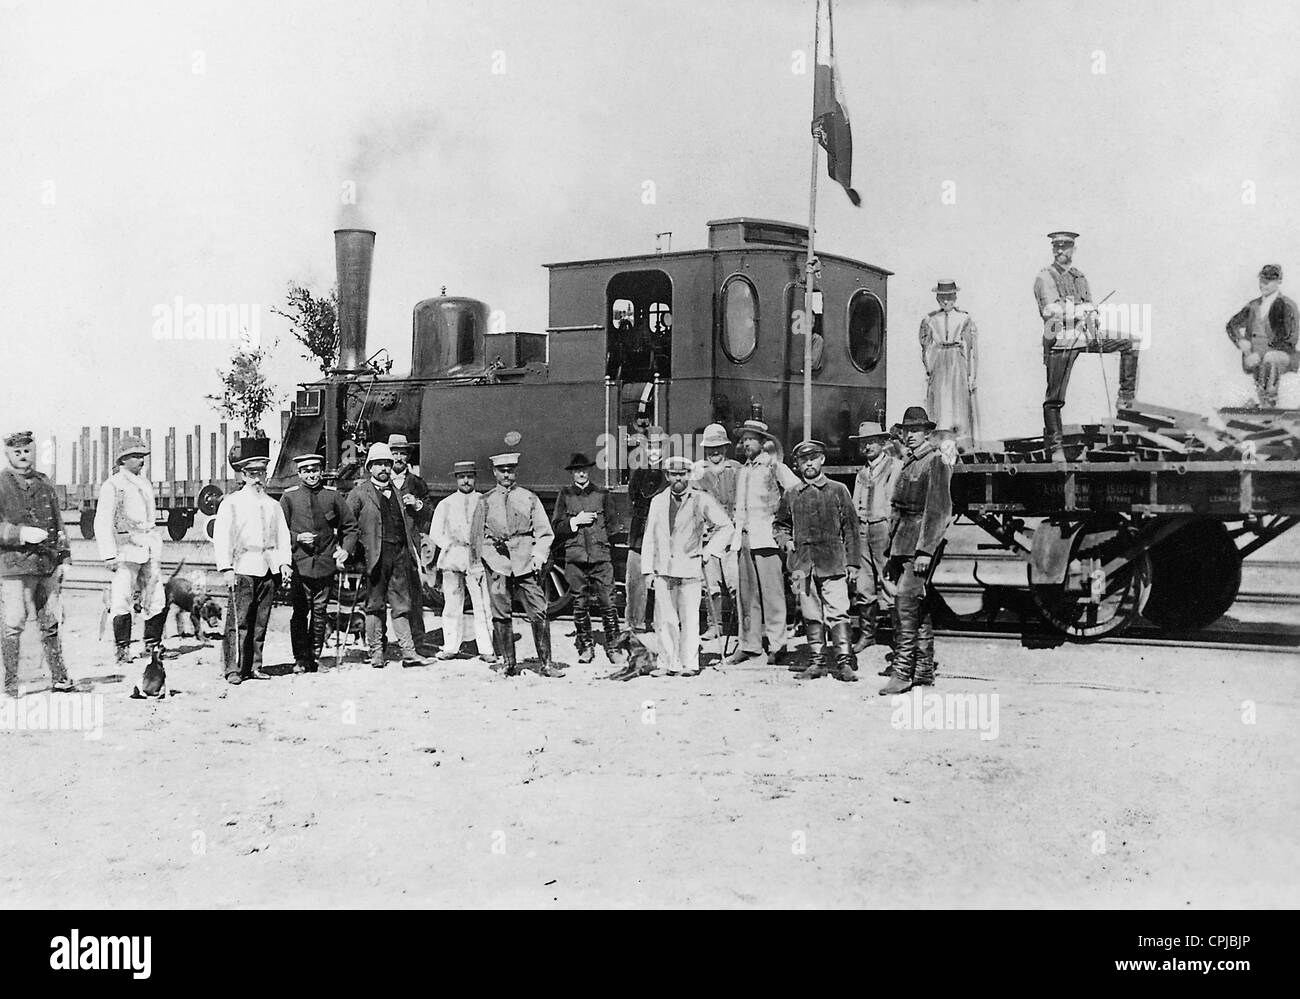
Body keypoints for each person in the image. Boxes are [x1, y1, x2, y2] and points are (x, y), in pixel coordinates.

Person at [1034, 230, 1138, 455]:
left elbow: (1090, 305)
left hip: (1084, 335)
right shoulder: (1045, 276)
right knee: (1054, 398)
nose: (1061, 250)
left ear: (1073, 249)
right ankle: (1055, 447)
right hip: (1060, 338)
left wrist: (1094, 318)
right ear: (1053, 249)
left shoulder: (1079, 277)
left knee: (1130, 342)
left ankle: (1126, 400)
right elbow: (1049, 310)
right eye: (1057, 247)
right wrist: (1080, 310)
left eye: (1065, 246)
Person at [632, 455, 732, 678]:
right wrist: (647, 570)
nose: (678, 478)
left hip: (690, 568)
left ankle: (689, 663)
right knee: (665, 618)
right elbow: (649, 537)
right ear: (667, 476)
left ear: (689, 475)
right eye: (674, 474)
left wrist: (709, 552)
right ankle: (667, 663)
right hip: (663, 569)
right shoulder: (658, 501)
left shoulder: (700, 499)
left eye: (683, 474)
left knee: (689, 617)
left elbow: (726, 526)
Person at [879, 407, 953, 695]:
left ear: (928, 433)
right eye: (907, 430)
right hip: (902, 544)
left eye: (916, 430)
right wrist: (890, 551)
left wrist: (925, 551)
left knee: (904, 605)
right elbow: (897, 511)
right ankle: (922, 670)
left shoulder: (935, 462)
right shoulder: (909, 462)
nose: (909, 435)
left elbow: (938, 510)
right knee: (917, 607)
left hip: (919, 544)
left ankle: (902, 672)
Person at [470, 452, 561, 678]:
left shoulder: (529, 498)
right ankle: (508, 663)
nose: (507, 475)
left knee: (539, 610)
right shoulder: (485, 501)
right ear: (495, 473)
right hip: (497, 565)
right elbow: (476, 537)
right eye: (502, 471)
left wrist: (538, 556)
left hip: (526, 564)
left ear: (516, 471)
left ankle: (546, 664)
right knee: (500, 613)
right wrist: (478, 566)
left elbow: (544, 532)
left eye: (510, 470)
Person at [212, 438, 293, 685]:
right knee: (239, 621)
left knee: (260, 621)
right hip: (242, 566)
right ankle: (233, 669)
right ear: (243, 475)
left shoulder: (273, 505)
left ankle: (255, 666)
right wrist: (226, 568)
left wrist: (284, 564)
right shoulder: (231, 503)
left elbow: (282, 536)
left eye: (262, 473)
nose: (258, 479)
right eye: (253, 473)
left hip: (267, 567)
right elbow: (222, 536)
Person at [345, 442, 432, 669]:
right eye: (378, 464)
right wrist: (350, 551)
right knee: (375, 605)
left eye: (387, 464)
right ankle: (376, 653)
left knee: (402, 604)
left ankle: (408, 652)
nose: (383, 468)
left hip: (399, 553)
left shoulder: (396, 490)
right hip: (375, 556)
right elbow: (347, 525)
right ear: (369, 467)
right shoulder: (359, 493)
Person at [0, 430, 74, 696]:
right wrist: (19, 533)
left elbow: (58, 522)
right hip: (13, 567)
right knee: (13, 623)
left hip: (46, 564)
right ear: (8, 454)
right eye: (17, 452)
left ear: (34, 452)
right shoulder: (1, 483)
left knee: (51, 621)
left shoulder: (44, 483)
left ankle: (59, 677)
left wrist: (64, 557)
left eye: (27, 451)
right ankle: (10, 684)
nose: (23, 457)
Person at [783, 440, 861, 682]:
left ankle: (844, 662)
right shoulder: (791, 494)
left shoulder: (838, 490)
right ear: (796, 465)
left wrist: (853, 563)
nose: (809, 463)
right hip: (803, 566)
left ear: (822, 460)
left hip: (833, 563)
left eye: (813, 458)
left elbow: (851, 528)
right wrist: (785, 540)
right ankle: (816, 661)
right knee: (810, 613)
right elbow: (780, 524)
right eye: (803, 460)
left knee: (838, 612)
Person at [724, 419, 800, 666]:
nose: (746, 443)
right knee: (746, 596)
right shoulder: (743, 470)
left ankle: (778, 644)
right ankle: (749, 644)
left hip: (767, 538)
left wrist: (785, 528)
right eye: (744, 439)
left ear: (763, 442)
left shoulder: (775, 467)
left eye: (751, 439)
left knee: (773, 594)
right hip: (744, 537)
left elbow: (796, 493)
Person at [279, 453, 356, 673]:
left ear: (321, 471)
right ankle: (300, 658)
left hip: (325, 563)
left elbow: (350, 527)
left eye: (315, 470)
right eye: (307, 471)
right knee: (300, 610)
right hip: (300, 564)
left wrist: (345, 551)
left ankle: (315, 656)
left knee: (321, 610)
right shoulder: (289, 498)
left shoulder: (332, 496)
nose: (312, 475)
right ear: (300, 473)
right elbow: (279, 531)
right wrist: (297, 538)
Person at [94, 436, 166, 668]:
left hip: (148, 545)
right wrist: (108, 554)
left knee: (156, 596)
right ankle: (122, 648)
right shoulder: (113, 485)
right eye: (136, 456)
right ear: (123, 459)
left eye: (142, 456)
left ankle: (152, 645)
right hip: (125, 549)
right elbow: (102, 521)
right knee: (122, 597)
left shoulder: (145, 483)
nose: (141, 461)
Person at [551, 452, 622, 663]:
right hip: (575, 559)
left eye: (584, 470)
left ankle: (614, 648)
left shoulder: (602, 494)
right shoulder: (565, 495)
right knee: (579, 604)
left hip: (601, 558)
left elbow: (613, 525)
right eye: (577, 470)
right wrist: (575, 522)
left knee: (608, 603)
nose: (581, 474)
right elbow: (556, 527)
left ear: (589, 471)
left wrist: (598, 540)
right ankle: (585, 647)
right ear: (572, 473)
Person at [428, 460, 495, 663]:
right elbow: (435, 532)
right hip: (453, 557)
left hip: (476, 557)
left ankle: (486, 648)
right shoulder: (446, 503)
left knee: (482, 603)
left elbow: (491, 528)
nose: (466, 480)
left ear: (475, 478)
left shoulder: (484, 501)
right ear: (456, 479)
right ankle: (450, 646)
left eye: (470, 476)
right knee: (452, 604)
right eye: (462, 477)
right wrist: (449, 545)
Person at [849, 421, 900, 653]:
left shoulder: (894, 467)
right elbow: (853, 504)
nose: (867, 446)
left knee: (889, 582)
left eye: (871, 441)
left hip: (883, 529)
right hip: (863, 529)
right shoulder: (862, 473)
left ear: (882, 442)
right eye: (863, 442)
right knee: (863, 584)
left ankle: (901, 639)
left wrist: (891, 528)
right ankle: (867, 634)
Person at [691, 423, 741, 641]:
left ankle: (742, 628)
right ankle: (715, 625)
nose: (715, 452)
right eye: (711, 448)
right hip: (709, 536)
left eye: (719, 447)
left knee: (735, 583)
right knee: (710, 585)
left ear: (726, 448)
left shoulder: (737, 470)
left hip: (732, 535)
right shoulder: (697, 473)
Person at [1225, 264, 1299, 408]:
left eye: (1269, 280)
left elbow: (1291, 339)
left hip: (1283, 356)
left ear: (1279, 281)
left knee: (1269, 358)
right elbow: (1231, 325)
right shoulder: (1253, 306)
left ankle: (1270, 403)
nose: (1263, 284)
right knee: (1260, 364)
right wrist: (1240, 342)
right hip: (1254, 356)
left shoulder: (1288, 305)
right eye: (1262, 279)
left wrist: (1260, 354)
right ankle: (1263, 404)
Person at [920, 280, 979, 446]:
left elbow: (971, 349)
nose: (946, 301)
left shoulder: (964, 318)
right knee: (939, 402)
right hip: (939, 362)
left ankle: (960, 440)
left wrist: (971, 376)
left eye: (949, 297)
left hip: (957, 361)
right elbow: (925, 347)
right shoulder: (930, 319)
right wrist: (929, 368)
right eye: (942, 297)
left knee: (958, 402)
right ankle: (940, 440)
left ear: (955, 297)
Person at [388, 434, 433, 651]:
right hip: (387, 547)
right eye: (394, 453)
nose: (398, 457)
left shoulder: (416, 483)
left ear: (408, 456)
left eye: (402, 453)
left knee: (414, 594)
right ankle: (382, 644)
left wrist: (417, 504)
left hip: (410, 545)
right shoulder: (381, 482)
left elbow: (431, 513)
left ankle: (418, 641)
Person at [624, 441, 666, 632]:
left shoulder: (668, 473)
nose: (654, 452)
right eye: (650, 448)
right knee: (635, 579)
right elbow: (633, 494)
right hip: (639, 533)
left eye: (658, 448)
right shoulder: (639, 473)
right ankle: (635, 623)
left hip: (662, 533)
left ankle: (663, 623)